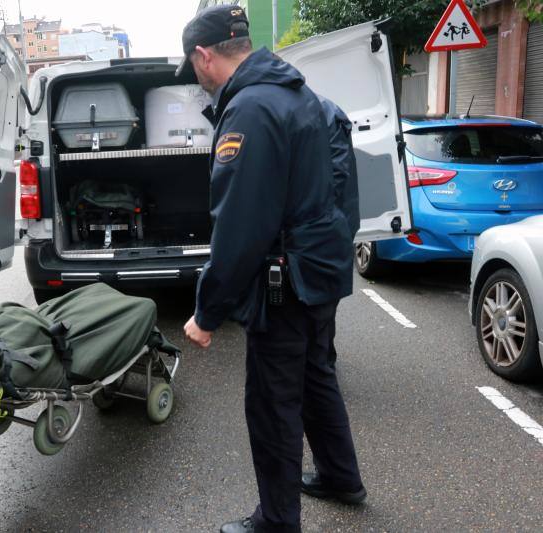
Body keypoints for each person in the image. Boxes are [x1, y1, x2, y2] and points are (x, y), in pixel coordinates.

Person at [177, 6, 366, 532]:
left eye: (193, 66)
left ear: (204, 55)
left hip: (285, 285)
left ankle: (278, 521)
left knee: (272, 405)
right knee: (316, 379)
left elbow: (240, 227)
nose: (196, 78)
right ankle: (340, 476)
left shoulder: (251, 110)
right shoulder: (303, 97)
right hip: (320, 274)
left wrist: (207, 312)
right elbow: (341, 194)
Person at [317, 95, 360, 369]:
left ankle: (322, 367)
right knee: (323, 306)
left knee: (319, 305)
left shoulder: (320, 113)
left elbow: (334, 179)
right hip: (338, 225)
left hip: (326, 230)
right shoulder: (327, 109)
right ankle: (323, 362)